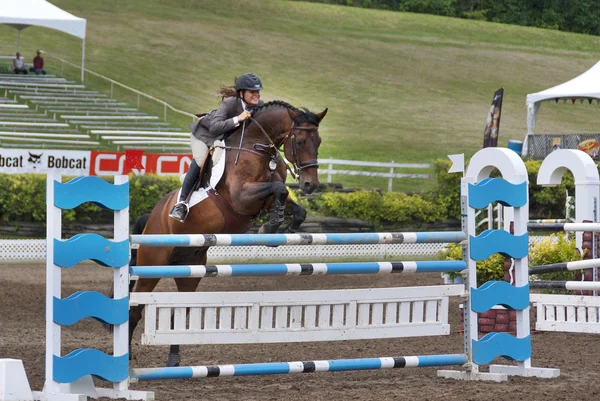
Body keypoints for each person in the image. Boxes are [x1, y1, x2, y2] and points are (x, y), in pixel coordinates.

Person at [168, 72, 265, 223]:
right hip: (204, 135)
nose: (256, 95)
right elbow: (214, 128)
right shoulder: (230, 103)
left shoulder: (259, 107)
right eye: (252, 92)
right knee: (201, 161)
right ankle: (181, 204)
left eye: (257, 91)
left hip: (224, 139)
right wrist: (237, 119)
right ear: (241, 93)